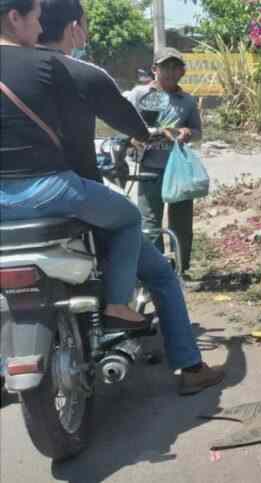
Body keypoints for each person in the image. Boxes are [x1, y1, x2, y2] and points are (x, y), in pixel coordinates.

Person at [37, 0, 224, 395]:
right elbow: (132, 127)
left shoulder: (186, 101)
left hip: (12, 206)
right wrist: (147, 135)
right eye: (84, 26)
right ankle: (183, 362)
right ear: (72, 28)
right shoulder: (83, 74)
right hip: (73, 194)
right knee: (151, 256)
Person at [0, 0, 149, 329]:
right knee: (128, 218)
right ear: (14, 18)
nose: (40, 29)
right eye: (36, 19)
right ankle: (116, 305)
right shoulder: (49, 64)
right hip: (49, 190)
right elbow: (91, 117)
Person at [124, 47, 201, 276]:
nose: (169, 71)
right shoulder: (142, 95)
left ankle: (180, 269)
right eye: (165, 66)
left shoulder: (186, 100)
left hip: (178, 171)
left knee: (182, 225)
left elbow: (198, 132)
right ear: (154, 69)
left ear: (182, 72)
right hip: (149, 169)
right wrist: (150, 134)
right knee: (150, 224)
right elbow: (126, 127)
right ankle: (157, 270)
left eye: (175, 67)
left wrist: (187, 132)